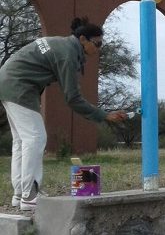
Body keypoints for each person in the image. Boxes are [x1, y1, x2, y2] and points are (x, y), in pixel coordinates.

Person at [0, 17, 128, 211]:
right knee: (35, 138)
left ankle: (20, 194)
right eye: (98, 43)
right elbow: (73, 98)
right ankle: (29, 195)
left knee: (22, 141)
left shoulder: (61, 44)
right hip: (19, 87)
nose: (99, 48)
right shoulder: (67, 54)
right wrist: (104, 115)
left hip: (9, 84)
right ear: (83, 39)